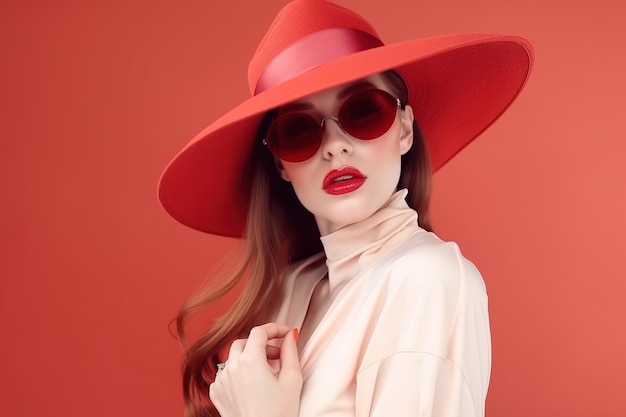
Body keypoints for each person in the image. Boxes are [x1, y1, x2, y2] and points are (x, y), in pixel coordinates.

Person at [158, 0, 534, 416]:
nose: (336, 145)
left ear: (405, 127)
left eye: (363, 111)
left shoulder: (429, 280)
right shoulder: (292, 285)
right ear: (281, 163)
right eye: (299, 131)